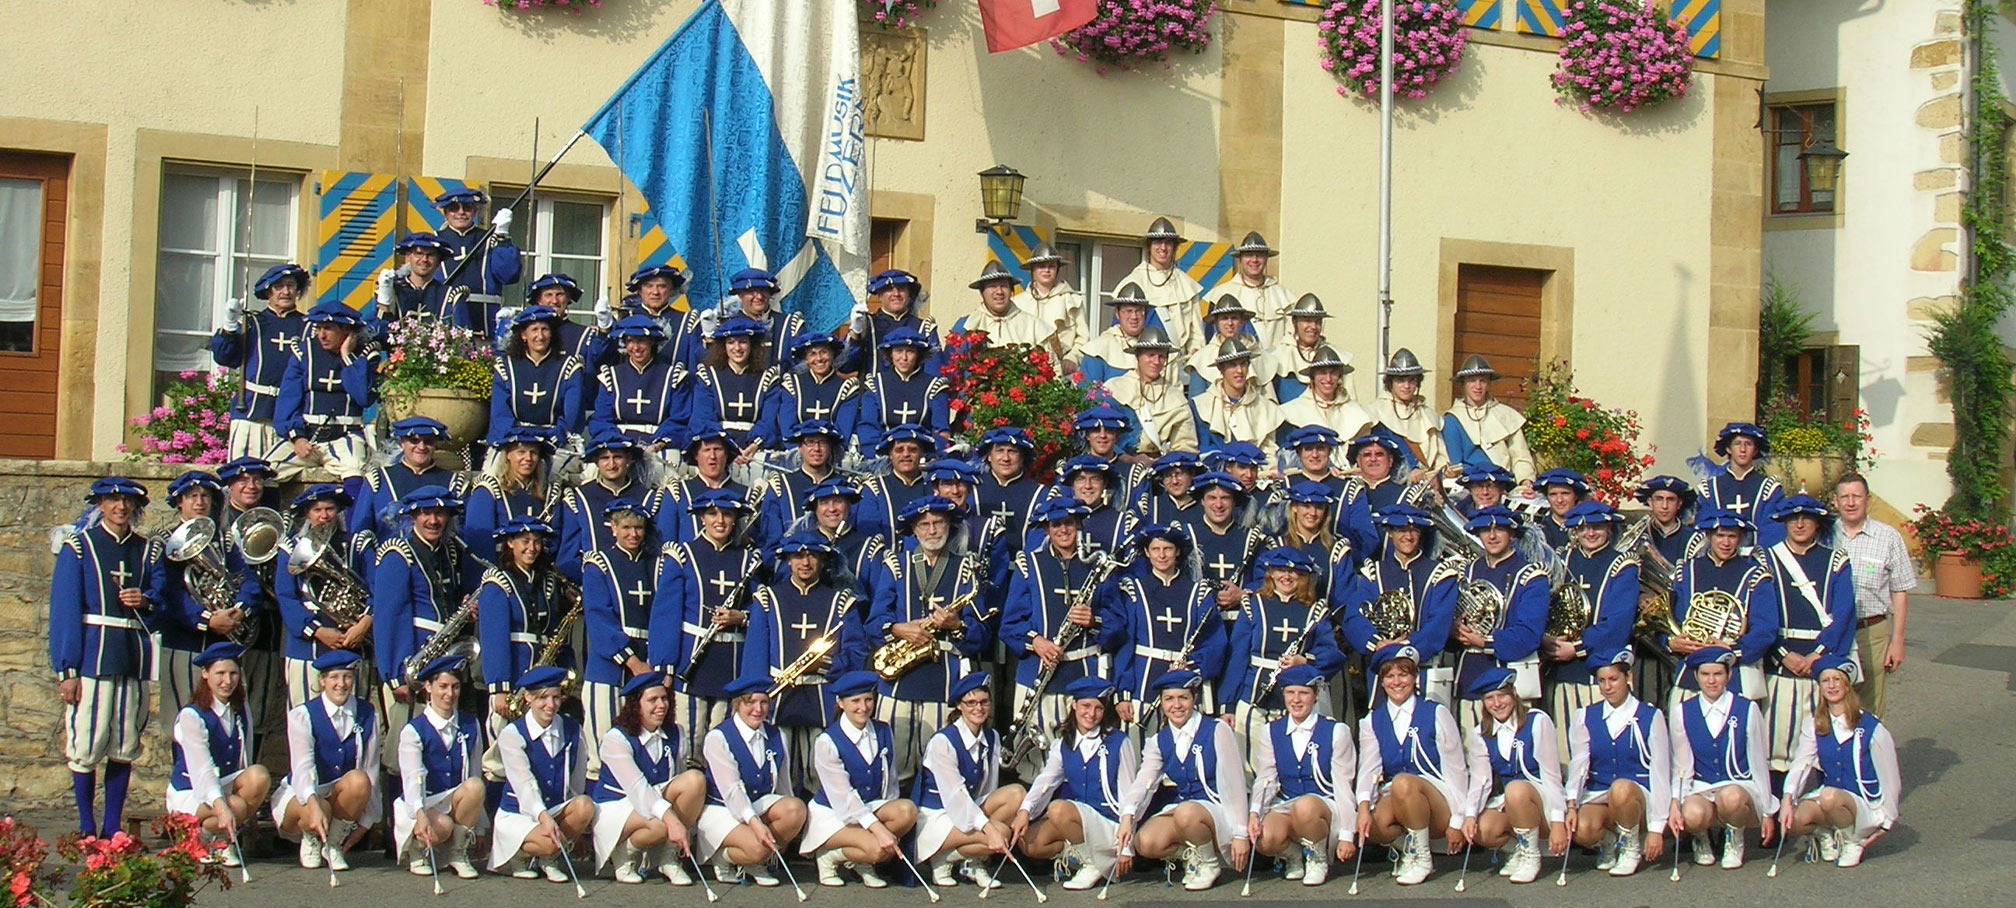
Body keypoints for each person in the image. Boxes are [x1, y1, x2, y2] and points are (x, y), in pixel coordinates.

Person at [52, 477, 165, 837]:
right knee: (87, 741)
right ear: (99, 504)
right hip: (92, 657)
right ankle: (87, 826)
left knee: (124, 743)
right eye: (112, 501)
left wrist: (144, 601)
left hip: (132, 655)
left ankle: (112, 825)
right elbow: (65, 610)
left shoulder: (147, 551)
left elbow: (162, 603)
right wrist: (67, 668)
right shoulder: (79, 546)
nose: (120, 507)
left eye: (126, 501)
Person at [865, 496, 993, 782]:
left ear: (949, 525)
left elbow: (981, 635)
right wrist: (898, 629)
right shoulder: (896, 565)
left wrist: (957, 624)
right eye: (924, 525)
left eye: (938, 523)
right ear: (914, 530)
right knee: (893, 768)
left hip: (945, 682)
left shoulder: (966, 568)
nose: (932, 530)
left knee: (942, 770)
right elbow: (874, 622)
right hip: (898, 682)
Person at [1002, 498, 1120, 778]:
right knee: (1035, 765)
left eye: (1068, 523)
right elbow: (1009, 624)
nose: (1063, 530)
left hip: (1084, 670)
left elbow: (1118, 623)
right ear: (1046, 529)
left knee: (1084, 750)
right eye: (1056, 525)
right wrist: (1037, 642)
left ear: (1078, 525)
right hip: (1039, 672)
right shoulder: (1029, 565)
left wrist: (1094, 621)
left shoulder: (1098, 567)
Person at [371, 485, 486, 764]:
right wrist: (397, 674)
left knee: (441, 745)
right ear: (412, 517)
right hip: (413, 660)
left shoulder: (451, 550)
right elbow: (389, 618)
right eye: (426, 514)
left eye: (439, 514)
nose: (433, 521)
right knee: (405, 749)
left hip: (446, 657)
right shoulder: (397, 553)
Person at [745, 533, 865, 789]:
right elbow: (755, 655)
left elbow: (856, 652)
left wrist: (830, 666)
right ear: (788, 560)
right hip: (777, 698)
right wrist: (755, 698)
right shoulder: (768, 598)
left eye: (812, 555)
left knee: (821, 773)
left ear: (823, 559)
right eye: (798, 556)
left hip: (823, 696)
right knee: (778, 770)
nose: (806, 562)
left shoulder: (841, 600)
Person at [653, 488, 764, 763]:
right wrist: (665, 666)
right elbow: (667, 614)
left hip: (732, 662)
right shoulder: (683, 554)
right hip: (692, 662)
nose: (720, 521)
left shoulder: (749, 559)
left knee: (723, 741)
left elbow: (762, 608)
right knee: (689, 738)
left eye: (727, 514)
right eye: (713, 514)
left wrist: (742, 617)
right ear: (702, 517)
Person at [1114, 669, 1249, 890]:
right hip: (1187, 811)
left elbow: (1235, 783)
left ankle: (1210, 863)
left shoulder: (1217, 729)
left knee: (1186, 812)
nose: (1176, 705)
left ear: (1194, 699)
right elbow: (1144, 782)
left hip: (1218, 810)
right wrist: (1128, 816)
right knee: (1145, 842)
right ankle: (1193, 856)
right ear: (1161, 703)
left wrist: (1241, 833)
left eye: (1183, 698)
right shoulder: (1158, 740)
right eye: (1169, 699)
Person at [1353, 643, 1469, 885]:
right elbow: (1369, 769)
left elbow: (1457, 770)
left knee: (1403, 782)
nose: (1397, 682)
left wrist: (1459, 820)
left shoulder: (1436, 712)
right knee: (1371, 823)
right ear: (1382, 682)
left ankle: (1422, 858)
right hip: (1399, 794)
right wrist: (1363, 808)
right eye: (1390, 676)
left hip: (1438, 798)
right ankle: (1408, 848)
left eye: (1403, 674)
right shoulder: (1371, 721)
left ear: (1415, 677)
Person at [1011, 675, 1137, 890]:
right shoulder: (1062, 744)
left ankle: (1092, 863)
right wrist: (1025, 810)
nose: (1091, 714)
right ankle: (1081, 855)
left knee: (1058, 808)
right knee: (1030, 842)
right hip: (1082, 823)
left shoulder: (1119, 741)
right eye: (1086, 706)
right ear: (1074, 705)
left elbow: (1129, 794)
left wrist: (1127, 847)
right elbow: (1046, 781)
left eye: (1098, 708)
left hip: (1110, 824)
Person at [1760, 494, 1857, 771]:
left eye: (1807, 518)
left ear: (1818, 523)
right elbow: (1759, 612)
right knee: (1776, 746)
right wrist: (1781, 653)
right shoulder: (1766, 558)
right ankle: (1779, 811)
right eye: (1793, 518)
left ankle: (1821, 810)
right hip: (1780, 661)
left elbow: (1844, 612)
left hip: (1822, 662)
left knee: (1826, 745)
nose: (1800, 524)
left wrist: (1819, 656)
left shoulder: (1836, 560)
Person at [1778, 655, 1900, 869]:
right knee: (1793, 819)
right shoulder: (1814, 724)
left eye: (1837, 680)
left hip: (1863, 802)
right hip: (1831, 799)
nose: (1831, 686)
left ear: (1847, 685)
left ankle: (1853, 841)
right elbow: (1801, 764)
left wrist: (1888, 820)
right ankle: (1826, 834)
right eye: (1826, 680)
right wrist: (1787, 799)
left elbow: (1890, 778)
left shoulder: (1871, 727)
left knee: (1829, 795)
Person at [799, 670, 917, 887]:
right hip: (834, 814)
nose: (863, 707)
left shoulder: (883, 730)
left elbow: (889, 780)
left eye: (868, 700)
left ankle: (859, 858)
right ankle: (829, 857)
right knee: (878, 849)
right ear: (840, 703)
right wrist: (879, 829)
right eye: (855, 701)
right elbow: (844, 798)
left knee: (906, 810)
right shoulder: (827, 741)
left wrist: (888, 810)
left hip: (867, 807)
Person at [589, 672, 708, 884]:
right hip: (616, 806)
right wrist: (673, 820)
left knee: (695, 780)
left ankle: (669, 858)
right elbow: (638, 789)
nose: (661, 705)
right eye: (652, 700)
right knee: (662, 822)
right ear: (636, 705)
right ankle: (625, 853)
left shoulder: (677, 733)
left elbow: (679, 778)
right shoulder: (616, 738)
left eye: (664, 699)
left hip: (653, 800)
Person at [1246, 664, 1357, 886]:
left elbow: (1344, 786)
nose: (1296, 700)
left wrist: (1347, 835)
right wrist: (1255, 812)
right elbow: (1266, 778)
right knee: (1264, 839)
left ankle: (1317, 857)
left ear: (1315, 696)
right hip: (1288, 802)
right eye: (1290, 693)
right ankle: (1294, 855)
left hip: (1322, 805)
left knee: (1306, 806)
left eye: (1304, 693)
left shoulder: (1336, 731)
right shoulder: (1270, 731)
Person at [1223, 549, 1346, 748]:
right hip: (1253, 698)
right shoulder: (1254, 604)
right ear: (1270, 573)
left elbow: (1333, 655)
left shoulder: (1315, 610)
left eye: (1293, 571)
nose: (1286, 576)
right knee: (1249, 769)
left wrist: (1305, 661)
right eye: (1280, 570)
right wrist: (1228, 703)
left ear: (1304, 576)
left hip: (1298, 704)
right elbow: (1237, 657)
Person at [1667, 646, 1776, 871]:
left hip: (1738, 784)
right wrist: (1676, 803)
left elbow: (1758, 761)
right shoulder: (1682, 711)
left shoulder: (1747, 708)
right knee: (1693, 814)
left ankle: (1734, 838)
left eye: (1718, 674)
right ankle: (1701, 837)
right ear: (1696, 676)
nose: (1711, 681)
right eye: (1705, 674)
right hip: (1702, 785)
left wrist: (1767, 811)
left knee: (1731, 797)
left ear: (1729, 676)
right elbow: (1682, 765)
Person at [1108, 525, 1227, 729]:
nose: (1162, 555)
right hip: (1143, 684)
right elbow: (1126, 643)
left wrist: (1194, 667)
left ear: (1177, 551)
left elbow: (1214, 642)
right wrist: (1123, 693)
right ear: (1147, 552)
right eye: (1155, 549)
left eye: (1168, 549)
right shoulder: (1134, 590)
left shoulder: (1198, 593)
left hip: (1185, 681)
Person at [1564, 649, 1670, 877]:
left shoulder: (1650, 715)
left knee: (1621, 788)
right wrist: (1571, 805)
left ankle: (1631, 848)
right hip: (1600, 792)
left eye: (1613, 679)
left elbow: (1660, 771)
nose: (1607, 687)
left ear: (1628, 678)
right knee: (1582, 830)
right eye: (1602, 681)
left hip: (1636, 795)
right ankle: (1609, 842)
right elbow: (1579, 764)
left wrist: (1656, 828)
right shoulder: (1585, 716)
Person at [1544, 500, 1640, 746]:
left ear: (1609, 528)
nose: (1590, 533)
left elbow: (1619, 623)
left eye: (1597, 526)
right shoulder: (1560, 559)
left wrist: (1576, 648)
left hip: (1599, 671)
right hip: (1558, 668)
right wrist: (1546, 639)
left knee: (1600, 744)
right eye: (1583, 527)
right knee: (1563, 745)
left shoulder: (1623, 564)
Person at [272, 650, 379, 871]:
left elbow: (371, 769)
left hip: (341, 795)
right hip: (304, 796)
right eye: (334, 677)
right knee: (319, 805)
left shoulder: (367, 712)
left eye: (347, 677)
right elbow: (303, 767)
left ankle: (333, 843)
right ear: (322, 680)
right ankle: (311, 838)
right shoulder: (302, 715)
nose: (341, 684)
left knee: (359, 780)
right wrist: (313, 806)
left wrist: (368, 821)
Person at [696, 675, 809, 885]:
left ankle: (753, 860)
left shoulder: (777, 735)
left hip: (757, 806)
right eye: (750, 702)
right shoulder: (718, 738)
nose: (758, 709)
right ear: (737, 704)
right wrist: (756, 825)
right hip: (723, 810)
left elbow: (784, 786)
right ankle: (724, 857)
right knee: (759, 848)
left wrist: (789, 828)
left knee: (795, 809)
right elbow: (732, 791)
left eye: (763, 702)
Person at [1458, 667, 1567, 885]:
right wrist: (1469, 815)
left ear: (1513, 694)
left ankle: (1531, 856)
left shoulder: (1537, 720)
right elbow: (1481, 781)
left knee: (1516, 789)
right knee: (1483, 830)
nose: (1497, 704)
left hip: (1541, 797)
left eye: (1502, 696)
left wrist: (1558, 821)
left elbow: (1551, 774)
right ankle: (1520, 847)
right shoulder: (1481, 733)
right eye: (1490, 698)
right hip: (1513, 801)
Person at [166, 642, 271, 865]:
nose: (227, 681)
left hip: (223, 784)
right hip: (191, 790)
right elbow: (202, 769)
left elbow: (245, 757)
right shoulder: (191, 715)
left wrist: (250, 815)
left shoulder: (239, 708)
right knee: (237, 806)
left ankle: (223, 839)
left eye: (233, 673)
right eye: (220, 674)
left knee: (259, 775)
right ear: (205, 674)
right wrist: (222, 807)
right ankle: (202, 838)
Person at [1665, 509, 1781, 703]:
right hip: (1691, 675)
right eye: (1720, 535)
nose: (1726, 543)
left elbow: (1765, 629)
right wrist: (1671, 642)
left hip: (1737, 676)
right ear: (1709, 535)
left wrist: (1731, 649)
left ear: (1740, 538)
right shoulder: (1687, 570)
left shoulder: (1755, 574)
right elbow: (1674, 618)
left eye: (1732, 536)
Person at [1449, 505, 1548, 730]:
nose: (1492, 536)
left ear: (1512, 533)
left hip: (1511, 676)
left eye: (1499, 530)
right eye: (1485, 530)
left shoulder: (1532, 575)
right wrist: (1454, 630)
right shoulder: (1466, 571)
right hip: (1470, 673)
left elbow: (1530, 633)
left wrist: (1485, 641)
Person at [273, 484, 373, 709]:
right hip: (307, 649)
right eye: (317, 510)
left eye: (329, 509)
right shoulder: (291, 547)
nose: (324, 516)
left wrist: (364, 624)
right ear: (307, 514)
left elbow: (377, 590)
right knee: (304, 717)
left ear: (338, 511)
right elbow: (286, 597)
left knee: (353, 714)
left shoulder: (357, 544)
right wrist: (318, 631)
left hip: (353, 642)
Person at [490, 665, 594, 880]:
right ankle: (519, 855)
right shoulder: (512, 734)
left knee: (585, 805)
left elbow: (576, 778)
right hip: (519, 814)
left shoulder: (572, 728)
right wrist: (544, 818)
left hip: (555, 809)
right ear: (527, 697)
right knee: (547, 842)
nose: (550, 704)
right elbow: (524, 784)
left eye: (556, 697)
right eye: (542, 698)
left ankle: (549, 859)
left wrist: (578, 829)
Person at [581, 501, 661, 778]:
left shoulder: (657, 565)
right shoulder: (598, 563)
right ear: (613, 528)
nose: (633, 534)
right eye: (626, 527)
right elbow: (599, 619)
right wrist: (633, 661)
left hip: (648, 663)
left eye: (639, 528)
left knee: (644, 747)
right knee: (603, 750)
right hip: (609, 668)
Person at [392, 654, 486, 879]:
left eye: (455, 687)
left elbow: (474, 772)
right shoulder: (414, 730)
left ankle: (458, 854)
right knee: (442, 825)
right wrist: (420, 814)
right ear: (428, 687)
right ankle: (417, 852)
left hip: (453, 800)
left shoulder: (470, 723)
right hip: (423, 802)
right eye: (442, 686)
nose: (449, 694)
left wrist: (480, 829)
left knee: (475, 786)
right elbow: (413, 778)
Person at [1831, 472, 1914, 716]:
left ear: (1868, 499)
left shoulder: (1888, 537)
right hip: (1832, 631)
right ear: (1835, 502)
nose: (1851, 502)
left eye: (1857, 496)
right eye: (1844, 497)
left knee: (1870, 708)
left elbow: (1899, 591)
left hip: (1871, 631)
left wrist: (1897, 640)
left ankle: (1868, 753)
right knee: (1831, 701)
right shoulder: (1825, 536)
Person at [153, 471, 231, 728]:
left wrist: (239, 611)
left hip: (222, 641)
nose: (200, 502)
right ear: (180, 503)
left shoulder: (225, 541)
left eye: (205, 496)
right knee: (182, 717)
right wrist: (206, 619)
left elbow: (245, 581)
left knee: (221, 719)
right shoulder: (166, 541)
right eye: (192, 497)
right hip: (184, 642)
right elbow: (170, 592)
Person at [477, 518, 570, 727]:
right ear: (510, 543)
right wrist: (499, 687)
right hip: (511, 679)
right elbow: (494, 640)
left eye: (537, 542)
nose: (532, 548)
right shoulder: (497, 581)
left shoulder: (547, 580)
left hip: (542, 678)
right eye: (525, 541)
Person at [272, 302, 378, 483]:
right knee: (268, 470)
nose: (321, 335)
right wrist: (297, 438)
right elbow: (287, 401)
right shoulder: (303, 352)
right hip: (307, 436)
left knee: (355, 468)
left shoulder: (366, 353)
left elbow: (363, 396)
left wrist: (347, 356)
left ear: (346, 330)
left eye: (328, 328)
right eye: (318, 328)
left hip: (346, 435)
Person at [211, 263, 309, 459]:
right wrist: (230, 326)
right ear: (268, 291)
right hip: (251, 412)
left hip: (291, 416)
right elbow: (225, 357)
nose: (286, 292)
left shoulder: (308, 326)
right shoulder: (253, 323)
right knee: (243, 474)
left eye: (291, 285)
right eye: (279, 286)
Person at [557, 431, 663, 583]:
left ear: (629, 459)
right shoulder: (580, 498)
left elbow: (655, 548)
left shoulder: (648, 498)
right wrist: (590, 579)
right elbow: (568, 556)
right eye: (605, 458)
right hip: (593, 582)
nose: (611, 464)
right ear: (595, 461)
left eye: (618, 457)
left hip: (639, 582)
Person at [351, 416, 468, 550]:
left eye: (428, 441)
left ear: (436, 444)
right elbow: (361, 530)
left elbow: (463, 533)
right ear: (402, 442)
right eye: (414, 440)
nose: (421, 447)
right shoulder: (379, 478)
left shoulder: (453, 482)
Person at [487, 305, 586, 464]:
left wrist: (552, 437)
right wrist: (518, 439)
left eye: (545, 329)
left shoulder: (570, 366)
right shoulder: (506, 366)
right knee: (494, 475)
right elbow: (500, 414)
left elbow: (571, 416)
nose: (540, 336)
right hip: (514, 441)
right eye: (534, 330)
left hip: (556, 442)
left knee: (552, 476)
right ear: (523, 335)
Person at [429, 188, 521, 337]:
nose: (461, 212)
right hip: (445, 319)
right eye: (454, 208)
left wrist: (503, 236)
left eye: (467, 208)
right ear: (445, 212)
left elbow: (509, 275)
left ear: (475, 211)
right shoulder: (433, 242)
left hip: (485, 321)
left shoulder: (491, 239)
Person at [752, 332, 860, 455]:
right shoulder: (792, 384)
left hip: (831, 454)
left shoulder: (847, 387)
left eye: (824, 352)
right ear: (806, 360)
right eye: (812, 354)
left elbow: (843, 430)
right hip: (796, 453)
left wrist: (822, 453)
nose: (819, 358)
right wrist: (801, 454)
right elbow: (787, 428)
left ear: (833, 354)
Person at [593, 316, 685, 456]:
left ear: (652, 342)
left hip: (660, 445)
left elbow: (679, 418)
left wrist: (658, 445)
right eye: (630, 341)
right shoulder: (611, 376)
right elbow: (601, 419)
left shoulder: (673, 376)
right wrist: (621, 443)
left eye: (641, 341)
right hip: (619, 442)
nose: (636, 347)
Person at [1105, 325, 1199, 457]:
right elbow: (1101, 434)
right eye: (1151, 355)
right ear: (1138, 356)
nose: (1156, 361)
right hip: (1118, 460)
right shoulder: (1114, 387)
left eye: (1161, 356)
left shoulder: (1175, 397)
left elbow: (1185, 445)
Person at [854, 327, 951, 455]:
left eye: (910, 351)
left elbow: (942, 433)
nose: (904, 357)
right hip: (883, 457)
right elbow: (868, 427)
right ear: (890, 354)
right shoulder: (876, 385)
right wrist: (879, 457)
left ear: (918, 354)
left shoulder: (935, 386)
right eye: (898, 351)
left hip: (922, 459)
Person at [463, 427, 563, 550]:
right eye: (521, 452)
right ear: (508, 454)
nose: (528, 458)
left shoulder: (548, 493)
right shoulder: (488, 491)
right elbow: (479, 542)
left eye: (534, 453)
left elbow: (555, 540)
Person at [1441, 354, 1535, 486]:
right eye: (1472, 380)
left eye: (1483, 381)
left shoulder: (1505, 414)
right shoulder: (1452, 420)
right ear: (1463, 384)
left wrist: (1525, 480)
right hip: (1470, 485)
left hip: (1504, 483)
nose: (1478, 386)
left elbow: (1520, 456)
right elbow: (1453, 463)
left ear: (1489, 384)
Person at [688, 316, 776, 456]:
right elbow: (702, 417)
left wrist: (753, 446)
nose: (737, 348)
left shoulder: (768, 377)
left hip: (754, 449)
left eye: (743, 342)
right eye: (731, 342)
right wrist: (727, 446)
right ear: (723, 346)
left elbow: (768, 420)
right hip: (718, 446)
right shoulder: (709, 376)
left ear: (751, 345)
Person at [1117, 217, 1205, 356]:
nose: (1163, 248)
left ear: (1174, 247)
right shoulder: (1133, 282)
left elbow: (1197, 333)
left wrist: (1196, 350)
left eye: (1168, 243)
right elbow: (1121, 331)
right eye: (1158, 242)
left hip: (1180, 361)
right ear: (1149, 247)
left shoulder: (1186, 284)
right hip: (1145, 359)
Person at [1191, 337, 1286, 460]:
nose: (1239, 371)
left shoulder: (1266, 407)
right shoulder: (1201, 405)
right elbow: (1204, 448)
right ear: (1221, 369)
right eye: (1232, 365)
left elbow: (1270, 450)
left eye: (1243, 364)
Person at [755, 420, 847, 543]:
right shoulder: (781, 486)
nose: (816, 448)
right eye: (810, 442)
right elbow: (772, 538)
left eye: (822, 442)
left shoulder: (846, 486)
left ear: (830, 447)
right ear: (799, 446)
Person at [658, 429, 754, 544]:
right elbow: (666, 542)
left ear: (727, 453)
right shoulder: (678, 492)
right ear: (696, 455)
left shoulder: (747, 494)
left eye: (717, 449)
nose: (712, 456)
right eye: (706, 450)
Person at [1702, 422, 1786, 549]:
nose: (1742, 449)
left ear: (1755, 450)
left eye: (1748, 444)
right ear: (1728, 449)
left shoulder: (1769, 488)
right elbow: (1704, 527)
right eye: (1737, 444)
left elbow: (1773, 530)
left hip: (1757, 560)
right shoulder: (1710, 489)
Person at [1206, 232, 1296, 349]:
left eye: (1259, 255)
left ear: (1266, 258)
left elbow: (1292, 336)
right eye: (1249, 255)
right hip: (1238, 363)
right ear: (1240, 259)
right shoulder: (1221, 294)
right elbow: (1212, 336)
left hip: (1276, 363)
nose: (1254, 260)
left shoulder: (1283, 294)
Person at [842, 269, 941, 376]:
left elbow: (934, 373)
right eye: (889, 289)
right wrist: (855, 335)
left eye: (901, 289)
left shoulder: (924, 328)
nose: (896, 294)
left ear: (909, 294)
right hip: (873, 392)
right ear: (879, 295)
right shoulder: (867, 324)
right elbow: (845, 366)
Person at [1368, 348, 1445, 481]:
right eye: (1400, 380)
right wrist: (1412, 468)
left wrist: (1443, 471)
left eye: (1412, 380)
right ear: (1390, 382)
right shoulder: (1376, 412)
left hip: (1429, 482)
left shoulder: (1427, 413)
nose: (1406, 386)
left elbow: (1439, 455)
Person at [699, 266, 806, 359]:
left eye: (763, 290)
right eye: (751, 291)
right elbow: (709, 364)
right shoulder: (726, 326)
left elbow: (802, 361)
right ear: (740, 295)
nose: (759, 297)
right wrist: (709, 337)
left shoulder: (789, 325)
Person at [1281, 345, 1376, 445]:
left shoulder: (1356, 411)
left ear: (1339, 376)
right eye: (1322, 373)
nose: (1328, 379)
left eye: (1333, 373)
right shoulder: (1293, 411)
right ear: (1313, 377)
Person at [857, 425, 937, 544]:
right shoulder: (874, 488)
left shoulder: (935, 489)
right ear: (890, 455)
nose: (906, 455)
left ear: (922, 453)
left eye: (912, 449)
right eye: (899, 450)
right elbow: (869, 533)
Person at [1012, 243, 1085, 368]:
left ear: (1057, 269)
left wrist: (1072, 358)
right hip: (1024, 369)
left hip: (1059, 367)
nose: (1046, 270)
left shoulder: (1072, 300)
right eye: (1041, 266)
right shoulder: (1017, 303)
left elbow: (1083, 338)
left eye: (1051, 266)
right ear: (1032, 269)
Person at [1184, 295, 1274, 395]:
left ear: (1242, 321)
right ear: (1216, 322)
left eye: (1234, 318)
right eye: (1224, 318)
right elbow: (1197, 402)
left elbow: (1269, 399)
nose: (1230, 323)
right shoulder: (1201, 359)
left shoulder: (1261, 356)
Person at [1056, 455, 1141, 557]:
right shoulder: (1058, 523)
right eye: (1081, 479)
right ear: (1072, 484)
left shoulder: (1123, 524)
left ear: (1104, 484)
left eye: (1095, 479)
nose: (1087, 486)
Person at [973, 427, 1047, 542]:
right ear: (989, 456)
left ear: (1022, 457)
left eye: (1012, 451)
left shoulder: (1040, 494)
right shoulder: (973, 488)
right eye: (1000, 451)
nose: (1006, 458)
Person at [951, 260, 1047, 346]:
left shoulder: (1034, 325)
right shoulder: (965, 326)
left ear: (1011, 290)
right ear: (981, 292)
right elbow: (951, 363)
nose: (999, 292)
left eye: (1004, 286)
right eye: (992, 286)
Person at [1269, 295, 1342, 402]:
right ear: (1294, 322)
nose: (1313, 326)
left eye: (1317, 322)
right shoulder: (1277, 356)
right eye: (1307, 321)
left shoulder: (1336, 356)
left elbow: (1346, 401)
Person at [377, 233, 460, 326]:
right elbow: (378, 332)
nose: (424, 259)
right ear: (408, 256)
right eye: (419, 253)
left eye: (431, 255)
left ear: (438, 261)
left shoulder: (449, 295)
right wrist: (384, 304)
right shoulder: (393, 290)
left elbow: (462, 334)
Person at [1077, 284, 1152, 386]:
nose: (1134, 317)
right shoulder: (1098, 349)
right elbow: (1087, 395)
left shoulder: (1155, 346)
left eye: (1139, 311)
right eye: (1128, 311)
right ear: (1117, 313)